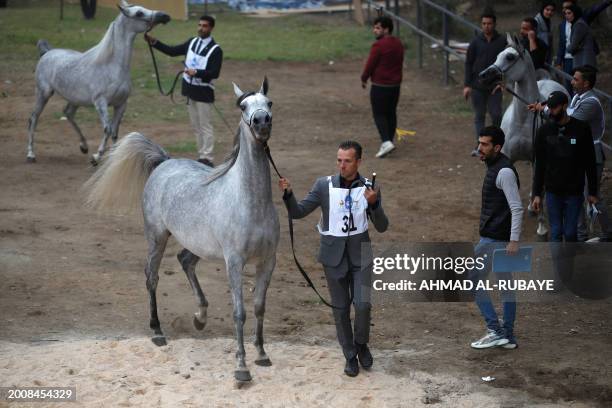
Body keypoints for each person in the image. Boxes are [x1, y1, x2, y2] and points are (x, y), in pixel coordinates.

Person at [278, 141, 389, 377]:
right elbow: (297, 212)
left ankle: (361, 344)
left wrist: (375, 204)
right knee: (340, 310)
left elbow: (382, 227)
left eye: (347, 161)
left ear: (358, 162)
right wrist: (288, 194)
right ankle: (349, 355)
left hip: (361, 255)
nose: (342, 165)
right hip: (333, 258)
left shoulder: (369, 188)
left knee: (363, 304)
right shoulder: (323, 185)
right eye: (339, 160)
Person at [528, 66, 609, 241]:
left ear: (586, 83)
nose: (571, 81)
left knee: (592, 195)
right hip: (572, 151)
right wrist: (545, 107)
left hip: (591, 152)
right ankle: (580, 234)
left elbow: (574, 119)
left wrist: (544, 109)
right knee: (581, 198)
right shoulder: (577, 98)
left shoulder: (591, 102)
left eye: (575, 79)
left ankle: (607, 232)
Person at [470, 126, 523, 350]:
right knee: (506, 284)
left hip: (495, 239)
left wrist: (513, 241)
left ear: (497, 147)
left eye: (484, 144)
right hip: (499, 238)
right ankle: (508, 335)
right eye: (479, 143)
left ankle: (495, 330)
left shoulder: (504, 172)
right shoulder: (496, 166)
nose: (479, 148)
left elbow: (517, 208)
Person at [145, 15, 223, 167]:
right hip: (189, 90)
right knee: (196, 126)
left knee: (205, 126)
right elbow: (173, 51)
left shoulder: (216, 50)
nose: (201, 28)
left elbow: (215, 73)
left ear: (211, 28)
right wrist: (154, 42)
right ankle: (202, 156)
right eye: (199, 25)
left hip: (203, 93)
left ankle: (208, 158)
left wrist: (197, 72)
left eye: (205, 26)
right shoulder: (192, 42)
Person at [463, 10, 507, 156]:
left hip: (495, 86)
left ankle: (498, 146)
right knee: (479, 116)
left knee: (496, 115)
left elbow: (507, 64)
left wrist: (502, 82)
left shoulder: (502, 41)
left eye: (489, 23)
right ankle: (480, 147)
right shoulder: (475, 42)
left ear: (494, 24)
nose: (486, 26)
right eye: (484, 24)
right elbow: (469, 63)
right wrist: (467, 85)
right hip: (477, 86)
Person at [361, 17, 404, 159]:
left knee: (379, 114)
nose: (375, 30)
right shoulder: (398, 44)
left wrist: (364, 78)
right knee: (391, 113)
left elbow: (370, 64)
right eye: (374, 27)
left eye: (378, 28)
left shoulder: (378, 46)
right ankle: (389, 142)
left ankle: (386, 141)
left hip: (380, 85)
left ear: (386, 29)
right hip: (395, 86)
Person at [535, 1, 556, 66]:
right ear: (543, 9)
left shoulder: (549, 22)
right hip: (539, 55)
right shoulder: (536, 21)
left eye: (552, 10)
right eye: (547, 10)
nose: (549, 12)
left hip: (547, 55)